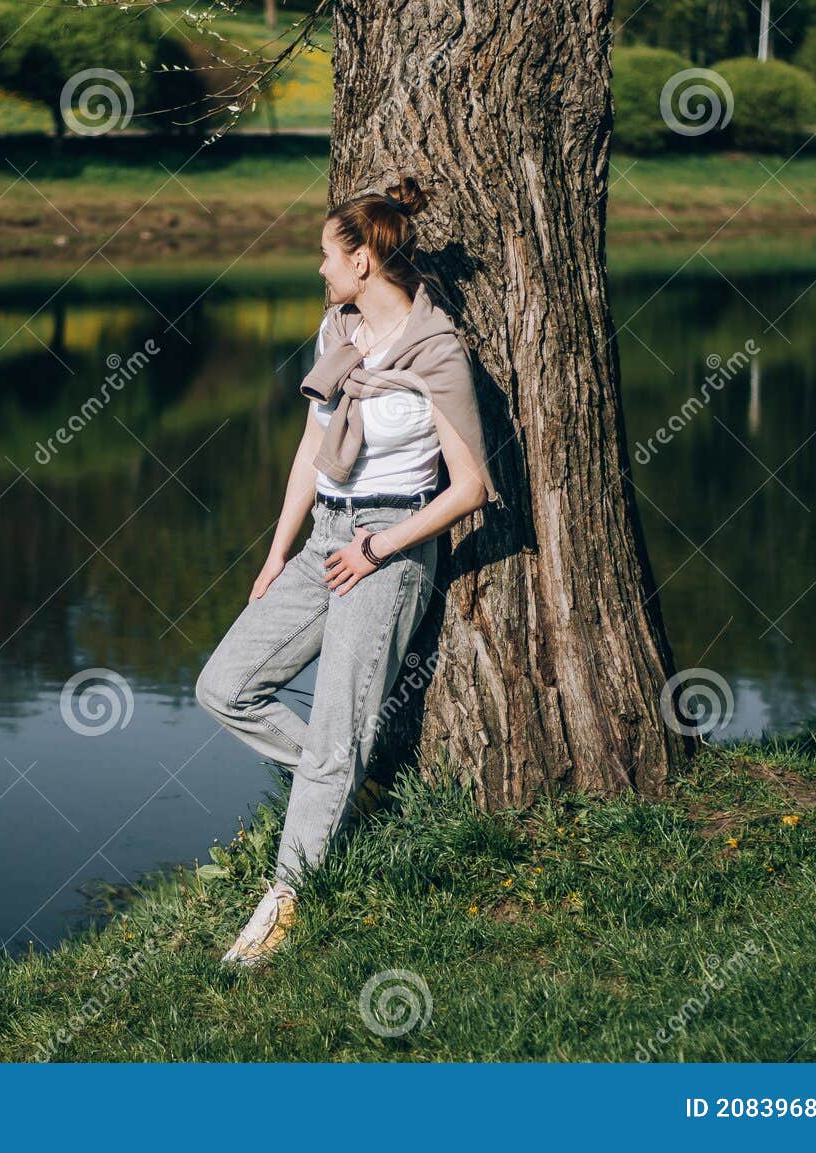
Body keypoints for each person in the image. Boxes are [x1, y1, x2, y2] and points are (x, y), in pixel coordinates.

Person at [194, 175, 501, 968]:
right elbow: (309, 448)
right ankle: (344, 786)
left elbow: (469, 488)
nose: (319, 269)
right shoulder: (338, 326)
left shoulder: (436, 351)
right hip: (321, 535)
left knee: (337, 733)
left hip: (387, 545)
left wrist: (378, 548)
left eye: (327, 255)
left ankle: (284, 902)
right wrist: (275, 552)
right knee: (223, 687)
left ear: (364, 259)